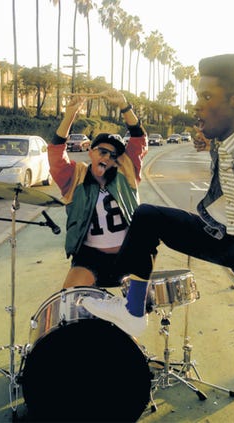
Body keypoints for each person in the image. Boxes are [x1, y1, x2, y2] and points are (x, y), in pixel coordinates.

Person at [83, 54, 234, 421]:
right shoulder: (223, 139)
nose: (197, 104)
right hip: (225, 239)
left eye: (207, 97)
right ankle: (132, 310)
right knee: (147, 217)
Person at [48, 89, 148, 290]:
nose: (106, 158)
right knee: (70, 304)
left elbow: (138, 138)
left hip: (128, 256)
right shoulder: (74, 177)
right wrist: (70, 115)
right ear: (91, 153)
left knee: (135, 314)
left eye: (113, 155)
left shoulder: (126, 173)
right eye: (102, 151)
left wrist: (124, 106)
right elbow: (56, 152)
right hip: (89, 257)